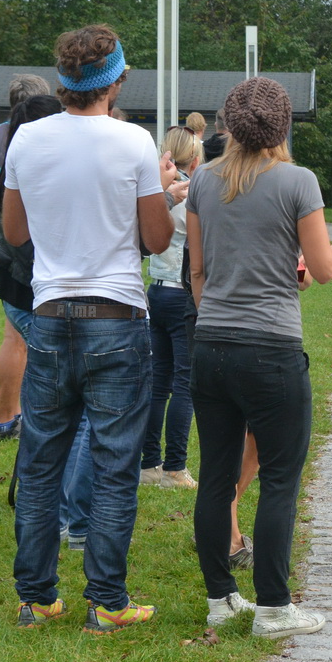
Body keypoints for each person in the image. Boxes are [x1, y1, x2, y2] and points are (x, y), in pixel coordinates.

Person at [186, 77, 332, 638]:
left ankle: (221, 599)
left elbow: (199, 272)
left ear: (228, 125)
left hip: (211, 345)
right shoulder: (298, 181)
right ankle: (273, 606)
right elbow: (324, 268)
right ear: (283, 126)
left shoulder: (203, 180)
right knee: (279, 478)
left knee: (216, 476)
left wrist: (221, 316)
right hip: (271, 349)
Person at [1, 23, 174, 631]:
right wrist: (158, 197)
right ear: (116, 80)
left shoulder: (27, 139)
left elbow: (14, 232)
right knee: (114, 465)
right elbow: (157, 238)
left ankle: (35, 597)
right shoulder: (133, 142)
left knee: (40, 463)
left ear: (63, 80)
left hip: (50, 316)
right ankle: (107, 601)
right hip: (117, 317)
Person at [0, 72, 54, 441]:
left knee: (14, 336)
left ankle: (5, 419)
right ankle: (29, 421)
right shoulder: (38, 148)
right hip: (23, 248)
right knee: (34, 342)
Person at [140, 126, 201, 491]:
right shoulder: (192, 192)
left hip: (156, 291)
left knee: (158, 382)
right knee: (184, 383)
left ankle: (149, 463)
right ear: (194, 158)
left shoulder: (157, 190)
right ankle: (175, 467)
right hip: (181, 293)